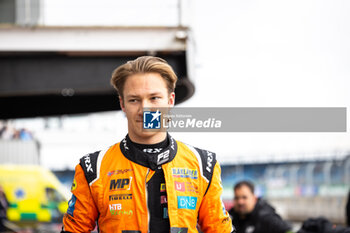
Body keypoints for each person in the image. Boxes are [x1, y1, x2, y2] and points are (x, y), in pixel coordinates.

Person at [61, 56, 234, 233]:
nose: (145, 109)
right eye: (134, 100)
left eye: (154, 98)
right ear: (122, 104)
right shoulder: (93, 167)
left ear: (170, 100)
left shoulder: (203, 164)